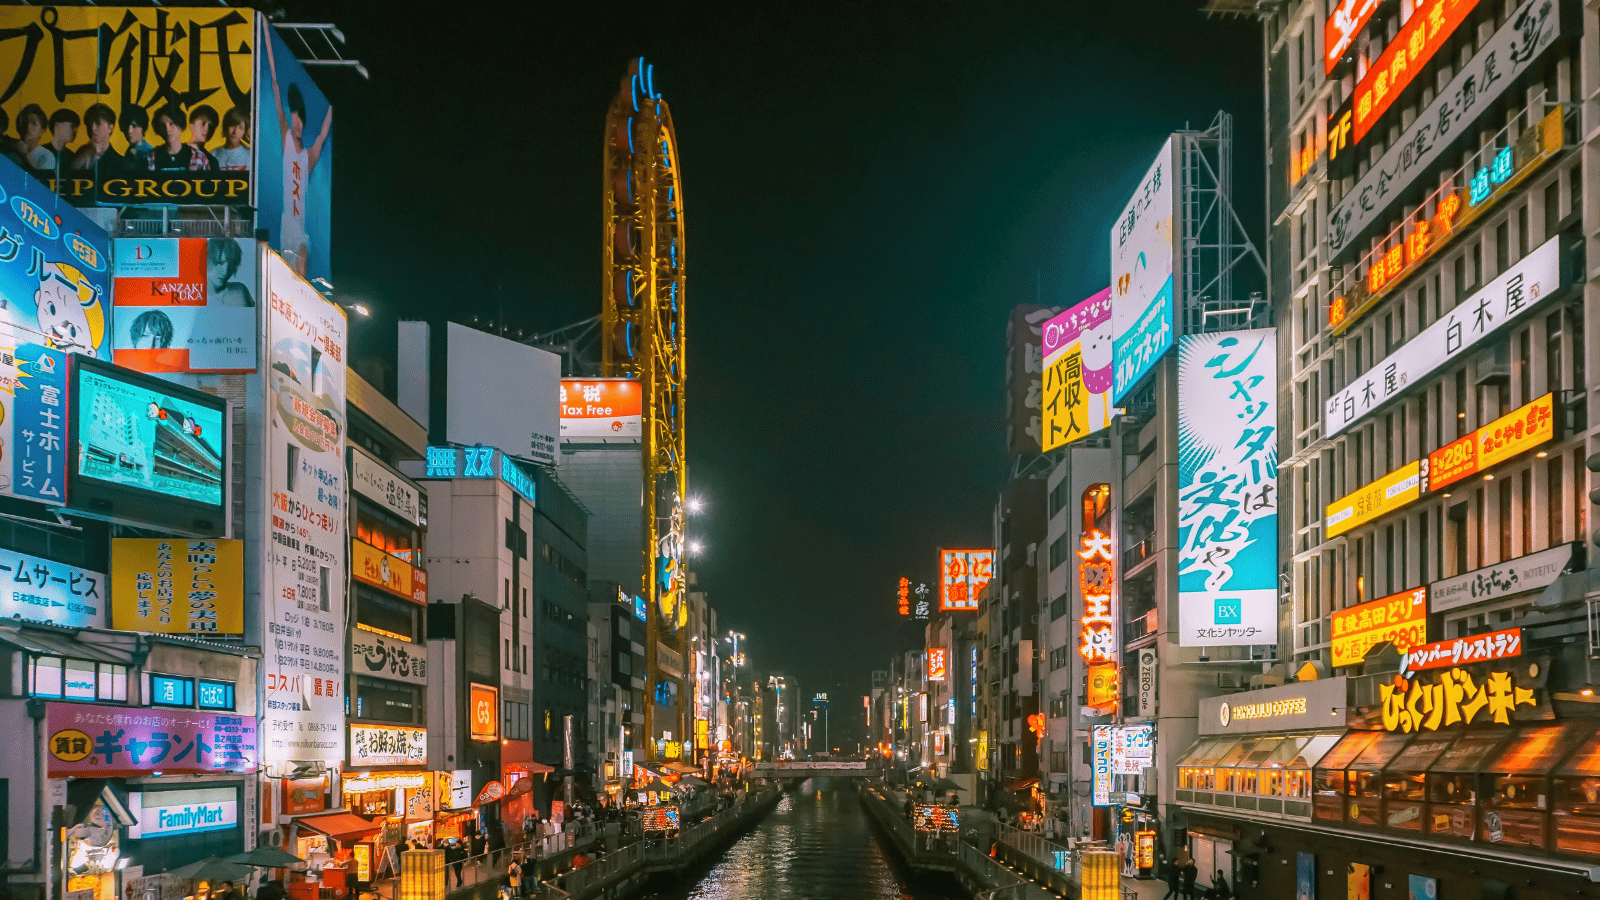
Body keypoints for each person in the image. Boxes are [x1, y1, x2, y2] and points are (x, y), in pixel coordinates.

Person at [265, 33, 331, 277]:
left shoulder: (308, 157)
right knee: (288, 275)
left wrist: (335, 103)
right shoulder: (287, 144)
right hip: (286, 229)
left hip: (300, 231)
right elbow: (275, 88)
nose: (297, 126)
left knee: (301, 265)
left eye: (300, 121)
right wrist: (266, 36)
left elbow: (323, 134)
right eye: (294, 123)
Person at [149, 106, 209, 171]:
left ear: (180, 125)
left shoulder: (198, 157)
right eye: (162, 125)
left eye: (171, 124)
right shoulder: (151, 157)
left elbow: (208, 180)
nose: (167, 129)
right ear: (158, 129)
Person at [72, 103, 121, 172]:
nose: (93, 128)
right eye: (90, 124)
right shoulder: (81, 152)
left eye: (98, 123)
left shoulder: (118, 161)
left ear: (110, 128)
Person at [29, 108, 78, 174]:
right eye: (72, 126)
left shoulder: (72, 157)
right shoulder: (39, 152)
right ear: (57, 126)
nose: (75, 131)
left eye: (76, 127)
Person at [207, 237, 254, 306]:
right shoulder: (190, 295)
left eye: (231, 264)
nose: (225, 272)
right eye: (220, 263)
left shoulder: (239, 292)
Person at [120, 105, 153, 169]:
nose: (129, 131)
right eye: (126, 126)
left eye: (134, 126)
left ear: (143, 128)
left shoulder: (148, 152)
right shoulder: (130, 150)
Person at [188, 104, 220, 169]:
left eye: (211, 127)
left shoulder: (212, 162)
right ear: (191, 126)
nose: (206, 129)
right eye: (203, 123)